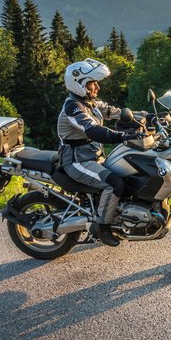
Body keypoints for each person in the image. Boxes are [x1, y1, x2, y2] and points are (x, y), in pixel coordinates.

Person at [57, 58, 144, 246]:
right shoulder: (73, 107)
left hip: (92, 156)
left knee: (128, 178)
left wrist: (148, 116)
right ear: (80, 84)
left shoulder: (90, 103)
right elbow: (92, 130)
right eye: (93, 83)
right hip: (76, 160)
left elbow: (115, 112)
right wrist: (122, 136)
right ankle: (101, 227)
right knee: (114, 184)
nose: (97, 87)